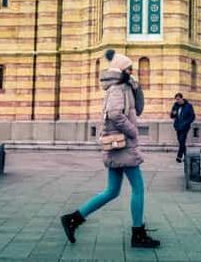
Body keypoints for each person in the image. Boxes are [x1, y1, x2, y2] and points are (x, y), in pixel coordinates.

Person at [60, 52, 160, 249]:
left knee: (112, 191)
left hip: (119, 147)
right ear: (122, 70)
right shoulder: (116, 89)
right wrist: (133, 132)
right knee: (138, 188)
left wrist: (137, 89)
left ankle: (74, 218)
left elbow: (137, 110)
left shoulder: (125, 87)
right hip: (122, 145)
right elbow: (115, 114)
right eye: (130, 69)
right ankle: (137, 234)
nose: (133, 71)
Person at [170, 93, 195, 163]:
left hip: (185, 127)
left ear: (181, 98)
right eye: (176, 99)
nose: (177, 101)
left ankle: (179, 156)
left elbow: (192, 116)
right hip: (178, 126)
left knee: (182, 140)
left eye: (178, 99)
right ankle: (186, 156)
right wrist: (173, 113)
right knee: (181, 142)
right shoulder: (175, 106)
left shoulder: (188, 106)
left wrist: (187, 123)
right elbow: (171, 116)